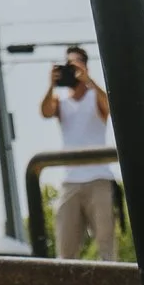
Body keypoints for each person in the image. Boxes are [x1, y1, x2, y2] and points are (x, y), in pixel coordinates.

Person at [40, 44, 118, 261]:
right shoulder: (61, 102)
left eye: (75, 64)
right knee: (65, 250)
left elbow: (111, 106)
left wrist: (88, 81)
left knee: (106, 248)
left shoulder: (95, 97)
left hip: (99, 179)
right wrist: (51, 85)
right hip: (70, 181)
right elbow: (45, 111)